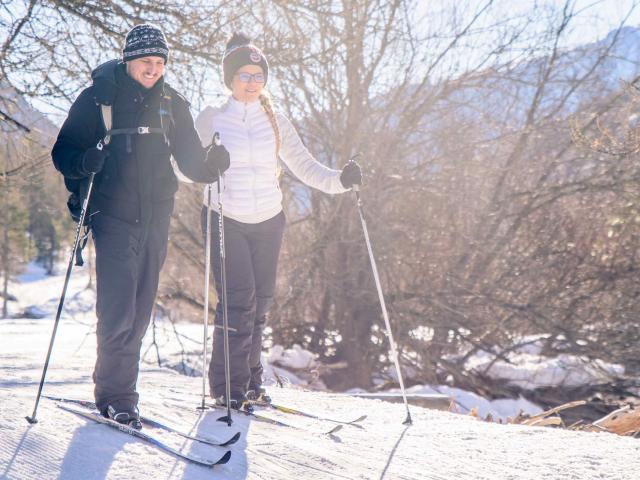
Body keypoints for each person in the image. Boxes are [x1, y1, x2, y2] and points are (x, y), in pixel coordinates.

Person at [51, 24, 230, 429]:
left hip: (156, 217)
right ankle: (117, 396)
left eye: (160, 62)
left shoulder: (172, 104)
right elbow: (63, 152)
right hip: (111, 215)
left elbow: (190, 162)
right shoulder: (98, 99)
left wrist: (212, 164)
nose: (153, 69)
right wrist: (86, 162)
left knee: (141, 308)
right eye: (147, 61)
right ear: (129, 60)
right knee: (118, 309)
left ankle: (117, 389)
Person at [195, 32, 362, 409]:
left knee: (261, 302)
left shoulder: (275, 120)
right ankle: (227, 386)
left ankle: (251, 381)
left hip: (269, 219)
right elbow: (183, 168)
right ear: (229, 78)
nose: (252, 82)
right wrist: (207, 166)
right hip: (225, 216)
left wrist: (341, 181)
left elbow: (305, 166)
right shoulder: (212, 118)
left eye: (258, 75)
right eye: (244, 75)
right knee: (238, 301)